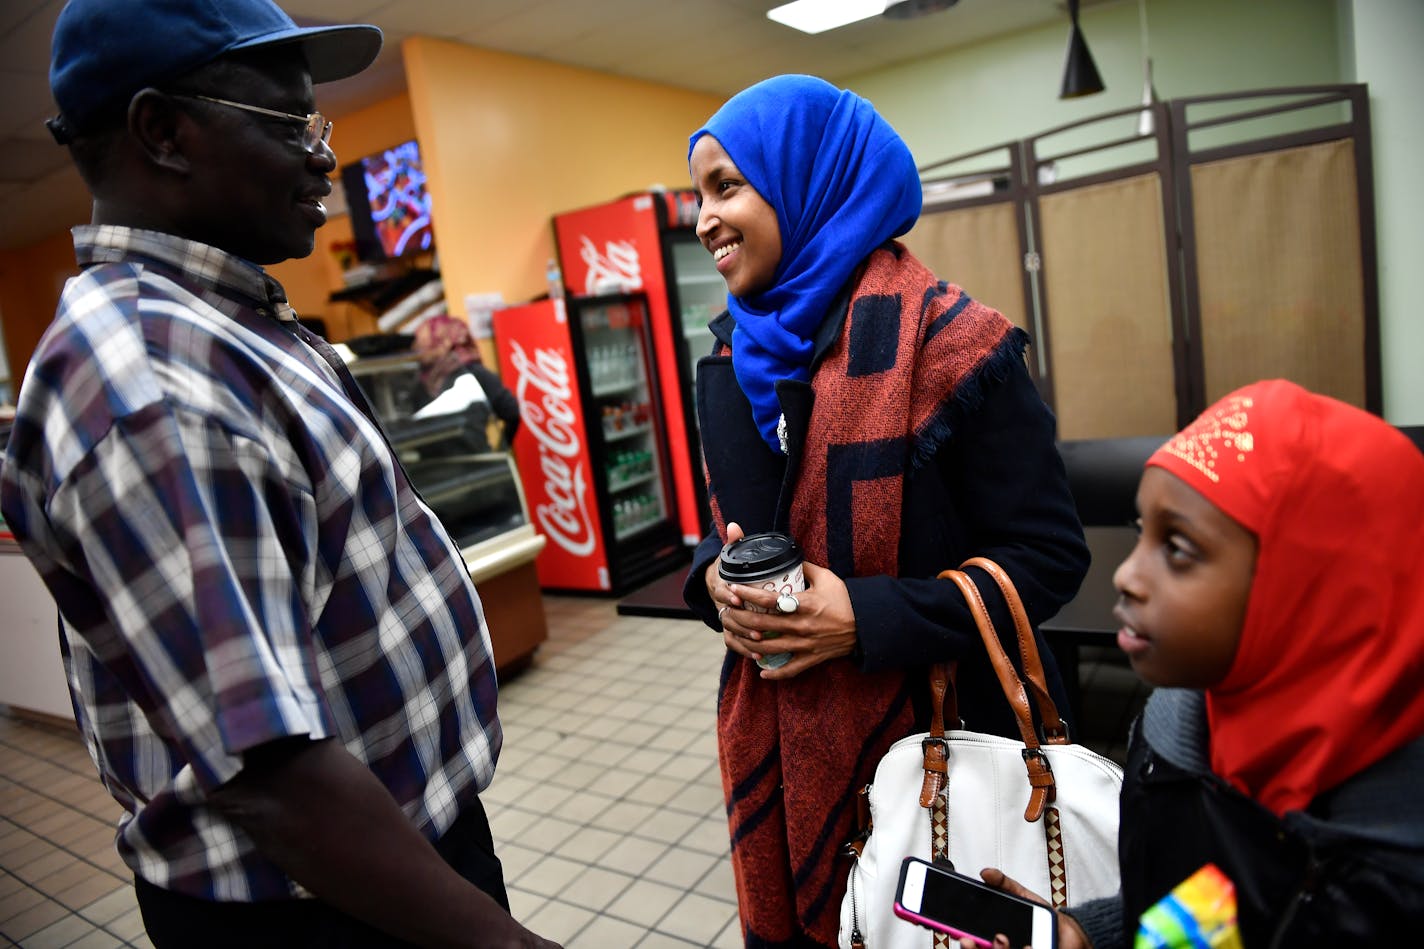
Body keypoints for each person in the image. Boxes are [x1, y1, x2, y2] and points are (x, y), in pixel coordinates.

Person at [0, 1, 558, 946]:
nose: (323, 156)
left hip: (395, 861)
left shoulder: (226, 322)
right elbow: (276, 782)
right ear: (162, 131)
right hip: (325, 901)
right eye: (289, 122)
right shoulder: (148, 384)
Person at [680, 74, 1090, 947]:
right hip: (783, 746)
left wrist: (860, 617)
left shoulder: (956, 347)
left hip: (947, 738)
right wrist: (715, 584)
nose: (704, 217)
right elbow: (723, 540)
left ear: (810, 178)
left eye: (727, 186)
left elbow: (1051, 556)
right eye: (697, 195)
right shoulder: (730, 360)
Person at [975, 379, 1424, 947]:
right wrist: (1088, 933)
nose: (1126, 575)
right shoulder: (1176, 732)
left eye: (1178, 549)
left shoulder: (1395, 864)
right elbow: (1206, 900)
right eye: (1143, 533)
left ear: (1307, 587)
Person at [408, 313, 521, 452]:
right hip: (458, 467)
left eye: (424, 343)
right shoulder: (422, 381)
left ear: (443, 341)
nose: (419, 350)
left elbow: (511, 411)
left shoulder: (473, 373)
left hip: (471, 467)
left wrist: (500, 453)